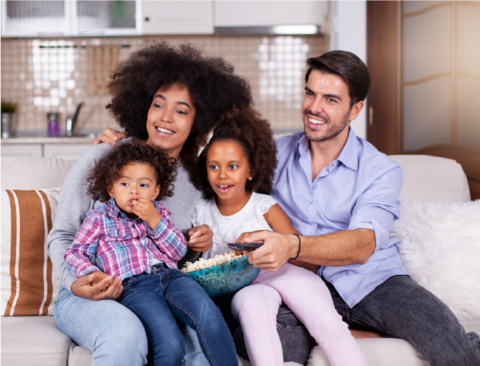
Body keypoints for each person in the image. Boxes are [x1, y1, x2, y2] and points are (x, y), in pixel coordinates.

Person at [237, 50, 480, 365]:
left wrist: (292, 245)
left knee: (454, 350)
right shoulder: (274, 154)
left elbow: (362, 244)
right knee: (261, 344)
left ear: (355, 110)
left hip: (372, 281)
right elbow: (229, 190)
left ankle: (346, 329)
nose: (314, 107)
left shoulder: (381, 170)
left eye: (330, 99)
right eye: (310, 93)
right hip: (300, 283)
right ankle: (341, 330)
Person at [47, 41, 252, 366]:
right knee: (125, 332)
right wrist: (76, 283)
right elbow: (62, 237)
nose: (166, 118)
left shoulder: (195, 179)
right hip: (86, 290)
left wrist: (197, 244)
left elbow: (173, 253)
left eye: (181, 110)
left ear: (199, 121)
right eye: (159, 105)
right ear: (144, 107)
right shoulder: (103, 157)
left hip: (158, 286)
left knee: (200, 351)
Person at [189, 107, 368, 366]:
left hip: (285, 273)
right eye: (213, 166)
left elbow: (300, 253)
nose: (222, 175)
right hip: (247, 288)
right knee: (253, 311)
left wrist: (266, 246)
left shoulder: (263, 205)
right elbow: (196, 259)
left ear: (250, 171)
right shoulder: (201, 209)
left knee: (328, 325)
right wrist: (195, 242)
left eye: (233, 166)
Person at [64, 140, 238, 366]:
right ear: (111, 188)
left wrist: (155, 220)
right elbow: (75, 252)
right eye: (125, 183)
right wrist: (92, 273)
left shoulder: (160, 213)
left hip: (172, 278)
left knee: (210, 315)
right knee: (169, 343)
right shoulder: (98, 218)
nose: (134, 191)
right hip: (133, 286)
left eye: (143, 185)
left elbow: (178, 251)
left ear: (156, 191)